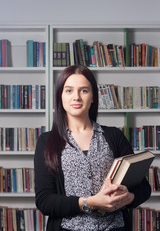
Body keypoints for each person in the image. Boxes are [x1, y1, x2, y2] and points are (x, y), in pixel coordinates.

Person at [34, 65, 151, 231]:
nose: (76, 97)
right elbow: (44, 201)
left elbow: (144, 188)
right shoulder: (47, 141)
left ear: (93, 97)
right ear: (60, 96)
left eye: (84, 91)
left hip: (115, 227)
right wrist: (89, 202)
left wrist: (128, 198)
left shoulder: (114, 136)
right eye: (69, 91)